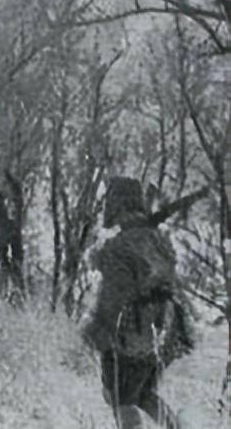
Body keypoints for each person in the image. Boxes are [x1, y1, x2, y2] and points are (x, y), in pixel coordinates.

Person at [84, 177, 195, 429]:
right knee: (143, 393)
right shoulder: (158, 239)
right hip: (162, 329)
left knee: (121, 398)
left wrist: (98, 331)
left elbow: (114, 296)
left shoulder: (119, 246)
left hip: (129, 331)